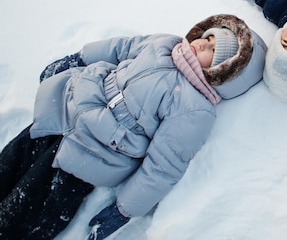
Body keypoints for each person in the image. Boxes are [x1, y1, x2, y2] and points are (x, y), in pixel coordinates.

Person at [0, 14, 267, 240]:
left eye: (214, 50)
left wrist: (123, 210)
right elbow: (121, 48)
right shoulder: (165, 44)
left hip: (93, 153)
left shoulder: (195, 107)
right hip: (67, 106)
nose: (202, 44)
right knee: (10, 162)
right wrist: (78, 59)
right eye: (208, 37)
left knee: (27, 208)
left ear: (225, 71)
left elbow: (163, 166)